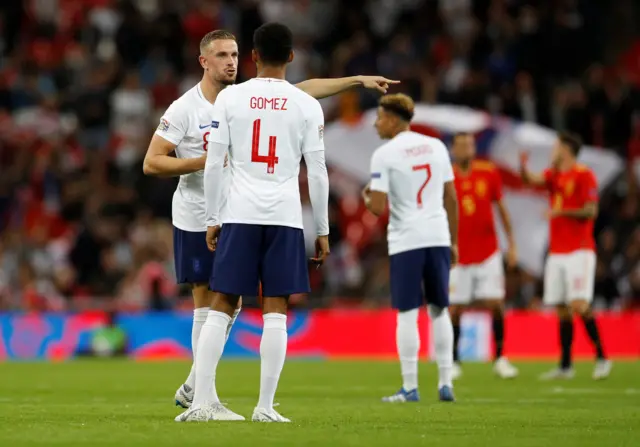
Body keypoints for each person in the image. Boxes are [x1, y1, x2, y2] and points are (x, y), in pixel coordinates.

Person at [143, 29, 398, 409]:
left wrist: (355, 81)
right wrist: (204, 162)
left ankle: (196, 387)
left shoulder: (239, 96)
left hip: (233, 211)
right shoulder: (185, 108)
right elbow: (151, 161)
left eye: (235, 54)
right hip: (197, 214)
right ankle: (200, 394)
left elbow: (301, 89)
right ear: (204, 62)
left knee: (227, 303)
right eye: (222, 55)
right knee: (208, 301)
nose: (231, 61)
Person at [175, 22, 330, 423]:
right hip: (285, 218)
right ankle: (264, 407)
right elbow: (317, 172)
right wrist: (323, 229)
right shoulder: (306, 104)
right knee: (276, 310)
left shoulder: (231, 99)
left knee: (221, 304)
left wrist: (212, 218)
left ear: (253, 56)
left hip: (238, 215)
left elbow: (213, 163)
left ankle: (200, 403)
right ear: (292, 57)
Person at [362, 93, 457, 403]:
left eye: (379, 117)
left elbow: (376, 208)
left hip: (407, 240)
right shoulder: (437, 146)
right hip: (439, 236)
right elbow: (451, 199)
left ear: (391, 119)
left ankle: (410, 387)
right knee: (440, 309)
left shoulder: (384, 154)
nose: (376, 123)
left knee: (407, 312)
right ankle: (446, 383)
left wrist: (367, 196)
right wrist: (453, 241)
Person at [519, 132, 612, 380]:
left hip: (579, 250)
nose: (553, 149)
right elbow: (533, 179)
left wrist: (562, 212)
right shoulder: (555, 175)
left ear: (566, 150)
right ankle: (565, 366)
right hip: (557, 252)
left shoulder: (584, 175)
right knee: (562, 309)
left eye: (557, 146)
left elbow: (591, 211)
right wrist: (523, 166)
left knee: (579, 305)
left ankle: (602, 357)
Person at [449, 133, 519, 379]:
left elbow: (503, 210)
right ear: (453, 150)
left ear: (474, 147)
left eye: (469, 144)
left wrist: (512, 245)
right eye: (460, 145)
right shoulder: (447, 177)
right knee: (455, 308)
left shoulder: (488, 172)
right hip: (458, 253)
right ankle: (454, 360)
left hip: (488, 251)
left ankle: (500, 357)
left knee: (496, 304)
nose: (465, 149)